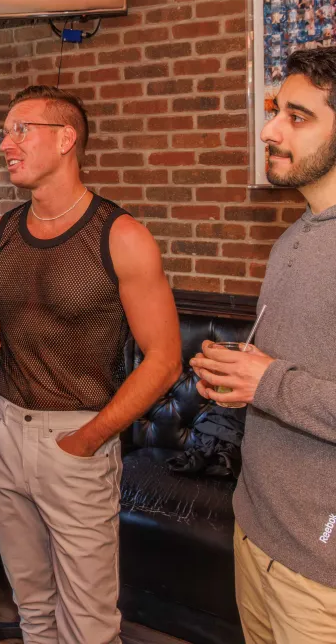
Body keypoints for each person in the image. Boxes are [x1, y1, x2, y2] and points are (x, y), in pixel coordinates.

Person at [0, 85, 182, 644]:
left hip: (76, 438)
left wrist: (91, 438)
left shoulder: (122, 236)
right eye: (2, 133)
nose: (6, 143)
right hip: (4, 430)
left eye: (20, 130)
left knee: (88, 622)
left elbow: (165, 360)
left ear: (65, 139)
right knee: (32, 606)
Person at [191, 47, 336, 643]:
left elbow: (279, 380)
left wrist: (266, 382)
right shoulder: (293, 238)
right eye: (275, 111)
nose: (268, 130)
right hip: (255, 529)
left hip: (320, 570)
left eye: (297, 117)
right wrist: (240, 380)